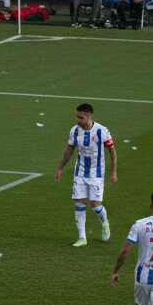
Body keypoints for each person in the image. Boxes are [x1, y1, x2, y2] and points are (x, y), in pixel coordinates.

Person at [54, 103, 117, 247]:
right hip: (80, 172)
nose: (78, 119)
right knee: (79, 202)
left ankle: (105, 223)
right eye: (77, 116)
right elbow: (69, 151)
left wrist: (113, 172)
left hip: (96, 173)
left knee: (95, 204)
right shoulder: (75, 131)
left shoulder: (102, 131)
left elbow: (112, 152)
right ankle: (82, 237)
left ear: (89, 116)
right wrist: (60, 168)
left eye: (80, 117)